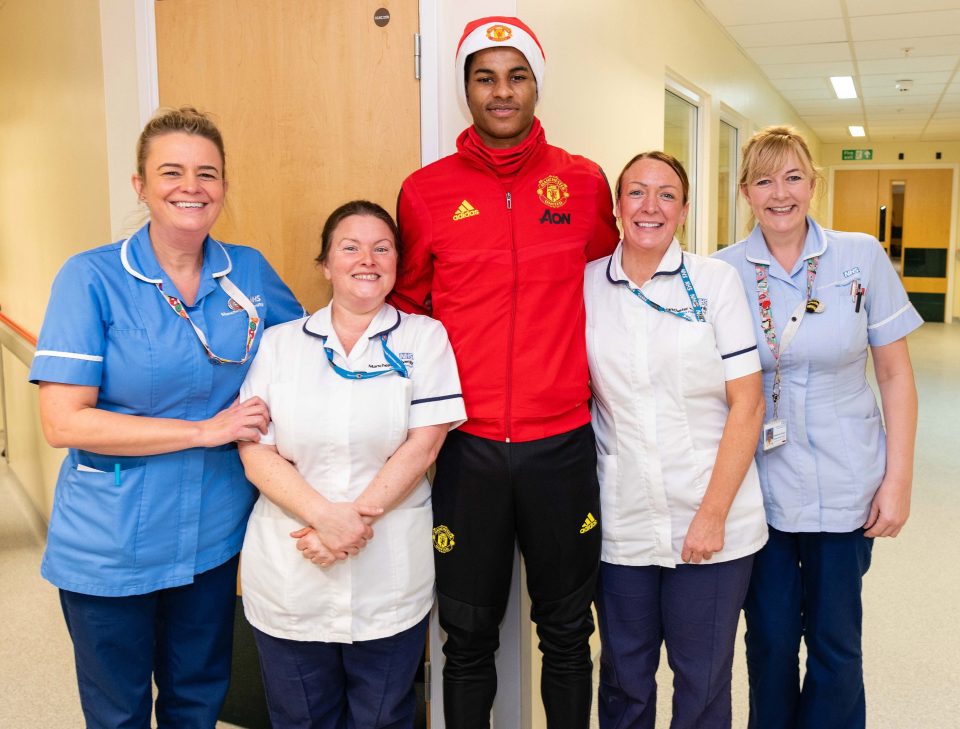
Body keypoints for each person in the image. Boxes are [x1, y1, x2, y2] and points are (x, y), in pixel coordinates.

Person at [28, 106, 305, 727]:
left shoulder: (249, 272)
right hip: (111, 540)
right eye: (171, 171)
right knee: (119, 712)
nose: (191, 187)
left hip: (210, 535)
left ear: (225, 188)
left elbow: (305, 356)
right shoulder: (91, 277)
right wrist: (205, 431)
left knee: (197, 699)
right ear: (140, 186)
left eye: (207, 174)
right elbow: (63, 421)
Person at [389, 15, 620, 728]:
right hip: (469, 449)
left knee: (569, 633)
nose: (501, 91)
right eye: (485, 77)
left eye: (516, 75)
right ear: (465, 88)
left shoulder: (583, 185)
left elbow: (613, 290)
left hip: (562, 445)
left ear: (536, 86)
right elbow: (405, 310)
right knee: (465, 637)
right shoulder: (425, 192)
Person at [714, 126, 921, 729]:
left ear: (814, 183)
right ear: (746, 193)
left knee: (836, 642)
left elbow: (895, 377)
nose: (781, 193)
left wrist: (898, 480)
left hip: (847, 479)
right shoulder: (723, 273)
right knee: (771, 642)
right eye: (764, 180)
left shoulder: (860, 257)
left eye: (793, 177)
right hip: (759, 489)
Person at [237, 200, 465, 729]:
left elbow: (424, 444)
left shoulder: (425, 338)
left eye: (382, 247)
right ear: (325, 264)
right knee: (300, 718)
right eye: (350, 247)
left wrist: (350, 521)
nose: (368, 258)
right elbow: (255, 449)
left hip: (386, 570)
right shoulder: (278, 345)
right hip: (294, 568)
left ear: (397, 264)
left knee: (384, 716)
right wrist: (325, 517)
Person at [585, 151, 766, 729]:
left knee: (703, 681)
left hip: (711, 518)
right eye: (636, 192)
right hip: (622, 519)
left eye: (666, 194)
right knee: (623, 678)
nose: (650, 206)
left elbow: (748, 402)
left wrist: (711, 515)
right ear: (616, 207)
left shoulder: (715, 283)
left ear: (684, 211)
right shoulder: (587, 284)